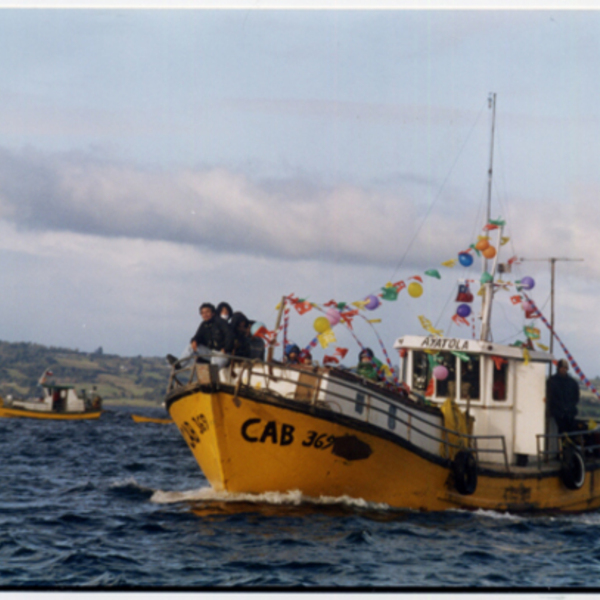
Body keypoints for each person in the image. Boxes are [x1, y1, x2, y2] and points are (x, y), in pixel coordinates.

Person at [190, 302, 234, 368]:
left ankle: (212, 376)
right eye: (202, 313)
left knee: (214, 369)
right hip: (211, 352)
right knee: (190, 347)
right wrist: (194, 340)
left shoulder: (220, 322)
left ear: (213, 313)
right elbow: (198, 335)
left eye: (207, 312)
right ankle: (178, 365)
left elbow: (229, 334)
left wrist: (226, 348)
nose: (205, 314)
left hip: (222, 353)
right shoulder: (204, 324)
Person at [547, 359, 580, 434]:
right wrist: (560, 407)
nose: (564, 369)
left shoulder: (572, 382)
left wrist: (569, 407)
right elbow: (551, 397)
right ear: (558, 368)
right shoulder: (552, 381)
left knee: (571, 433)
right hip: (558, 413)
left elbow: (576, 397)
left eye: (565, 368)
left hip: (570, 413)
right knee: (562, 433)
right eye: (562, 367)